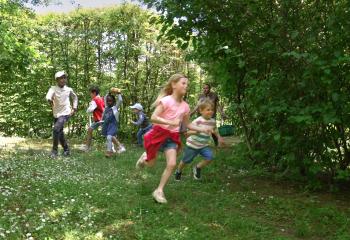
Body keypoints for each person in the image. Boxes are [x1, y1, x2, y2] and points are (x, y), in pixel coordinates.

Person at [135, 73, 211, 204]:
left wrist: (201, 129)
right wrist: (170, 123)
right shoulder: (166, 101)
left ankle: (159, 191)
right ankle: (144, 158)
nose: (186, 86)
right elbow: (153, 117)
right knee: (150, 164)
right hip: (158, 133)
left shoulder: (186, 106)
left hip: (172, 137)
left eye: (187, 84)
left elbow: (188, 124)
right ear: (174, 85)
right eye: (183, 83)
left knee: (171, 163)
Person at [175, 99, 224, 181]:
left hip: (203, 145)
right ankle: (178, 171)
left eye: (212, 110)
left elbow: (215, 130)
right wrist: (197, 131)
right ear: (201, 111)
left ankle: (197, 167)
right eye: (208, 110)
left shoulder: (212, 121)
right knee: (185, 161)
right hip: (192, 145)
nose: (211, 111)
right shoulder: (198, 121)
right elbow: (187, 133)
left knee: (210, 157)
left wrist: (219, 138)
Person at [46, 71, 78, 158]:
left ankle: (54, 151)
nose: (63, 80)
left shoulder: (69, 89)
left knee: (56, 129)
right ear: (57, 80)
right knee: (59, 133)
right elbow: (48, 96)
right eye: (61, 78)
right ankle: (66, 150)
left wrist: (74, 108)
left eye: (65, 78)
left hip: (66, 113)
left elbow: (75, 98)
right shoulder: (53, 89)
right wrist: (50, 100)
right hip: (56, 113)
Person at [80, 86, 104, 151]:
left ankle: (116, 146)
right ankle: (87, 147)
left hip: (100, 119)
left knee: (108, 134)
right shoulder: (102, 98)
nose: (90, 95)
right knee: (90, 130)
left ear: (94, 93)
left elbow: (90, 110)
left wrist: (88, 108)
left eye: (90, 93)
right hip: (102, 119)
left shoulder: (95, 100)